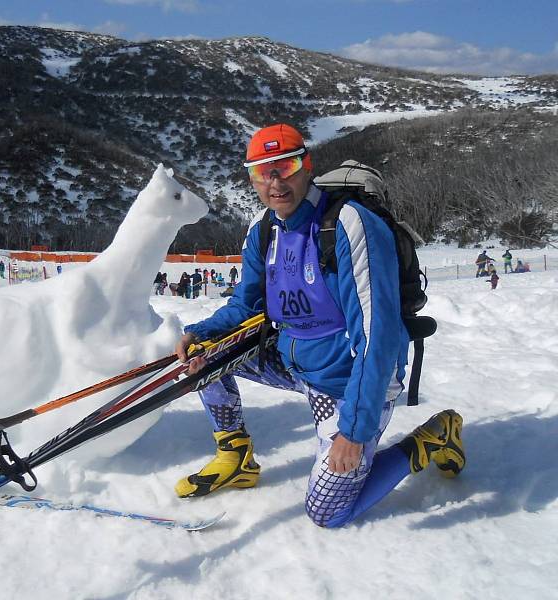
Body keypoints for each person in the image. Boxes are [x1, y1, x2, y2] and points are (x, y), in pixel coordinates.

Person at [173, 123, 465, 528]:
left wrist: (355, 431)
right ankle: (235, 456)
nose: (275, 182)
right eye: (262, 171)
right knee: (210, 358)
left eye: (285, 166)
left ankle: (433, 436)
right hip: (297, 363)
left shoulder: (349, 224)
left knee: (327, 511)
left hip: (348, 381)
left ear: (306, 165)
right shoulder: (264, 228)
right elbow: (245, 302)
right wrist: (202, 333)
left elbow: (376, 336)